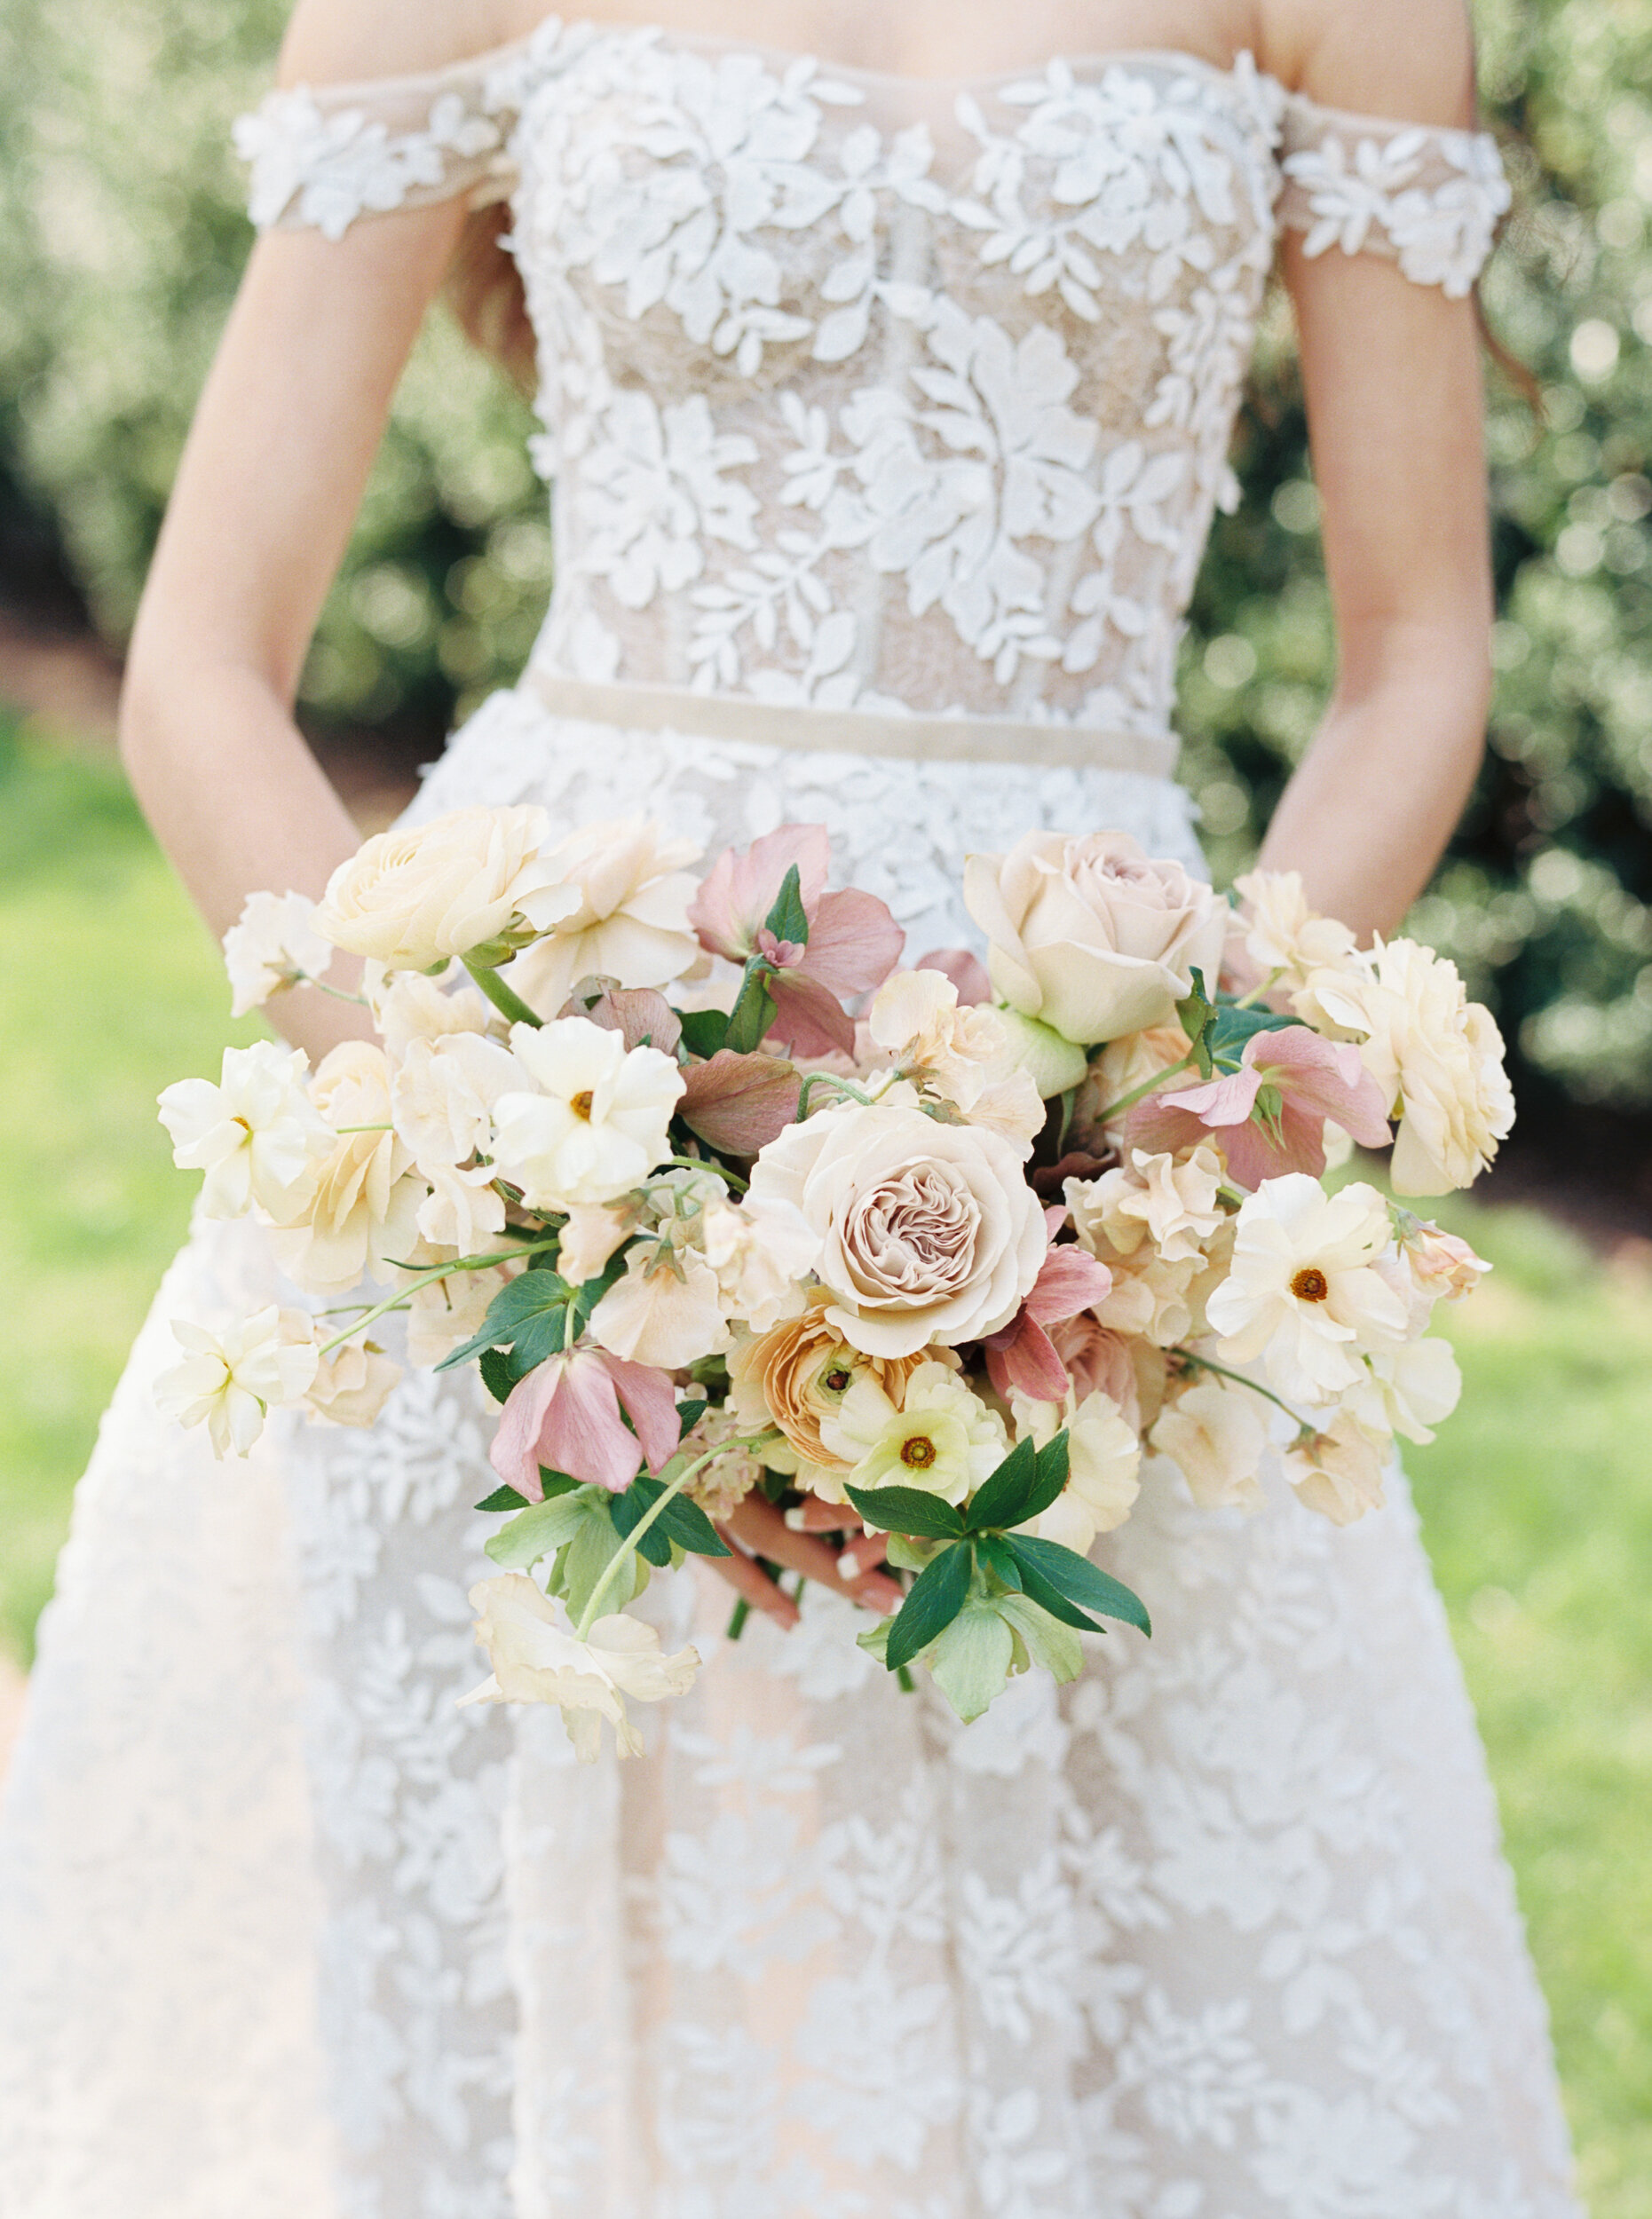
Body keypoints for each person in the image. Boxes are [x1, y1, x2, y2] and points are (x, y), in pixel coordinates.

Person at [0, 2, 1583, 2213]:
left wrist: (1157, 1185)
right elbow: (197, 669)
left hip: (1096, 1098)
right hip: (545, 1080)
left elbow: (1415, 656)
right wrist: (529, 1221)